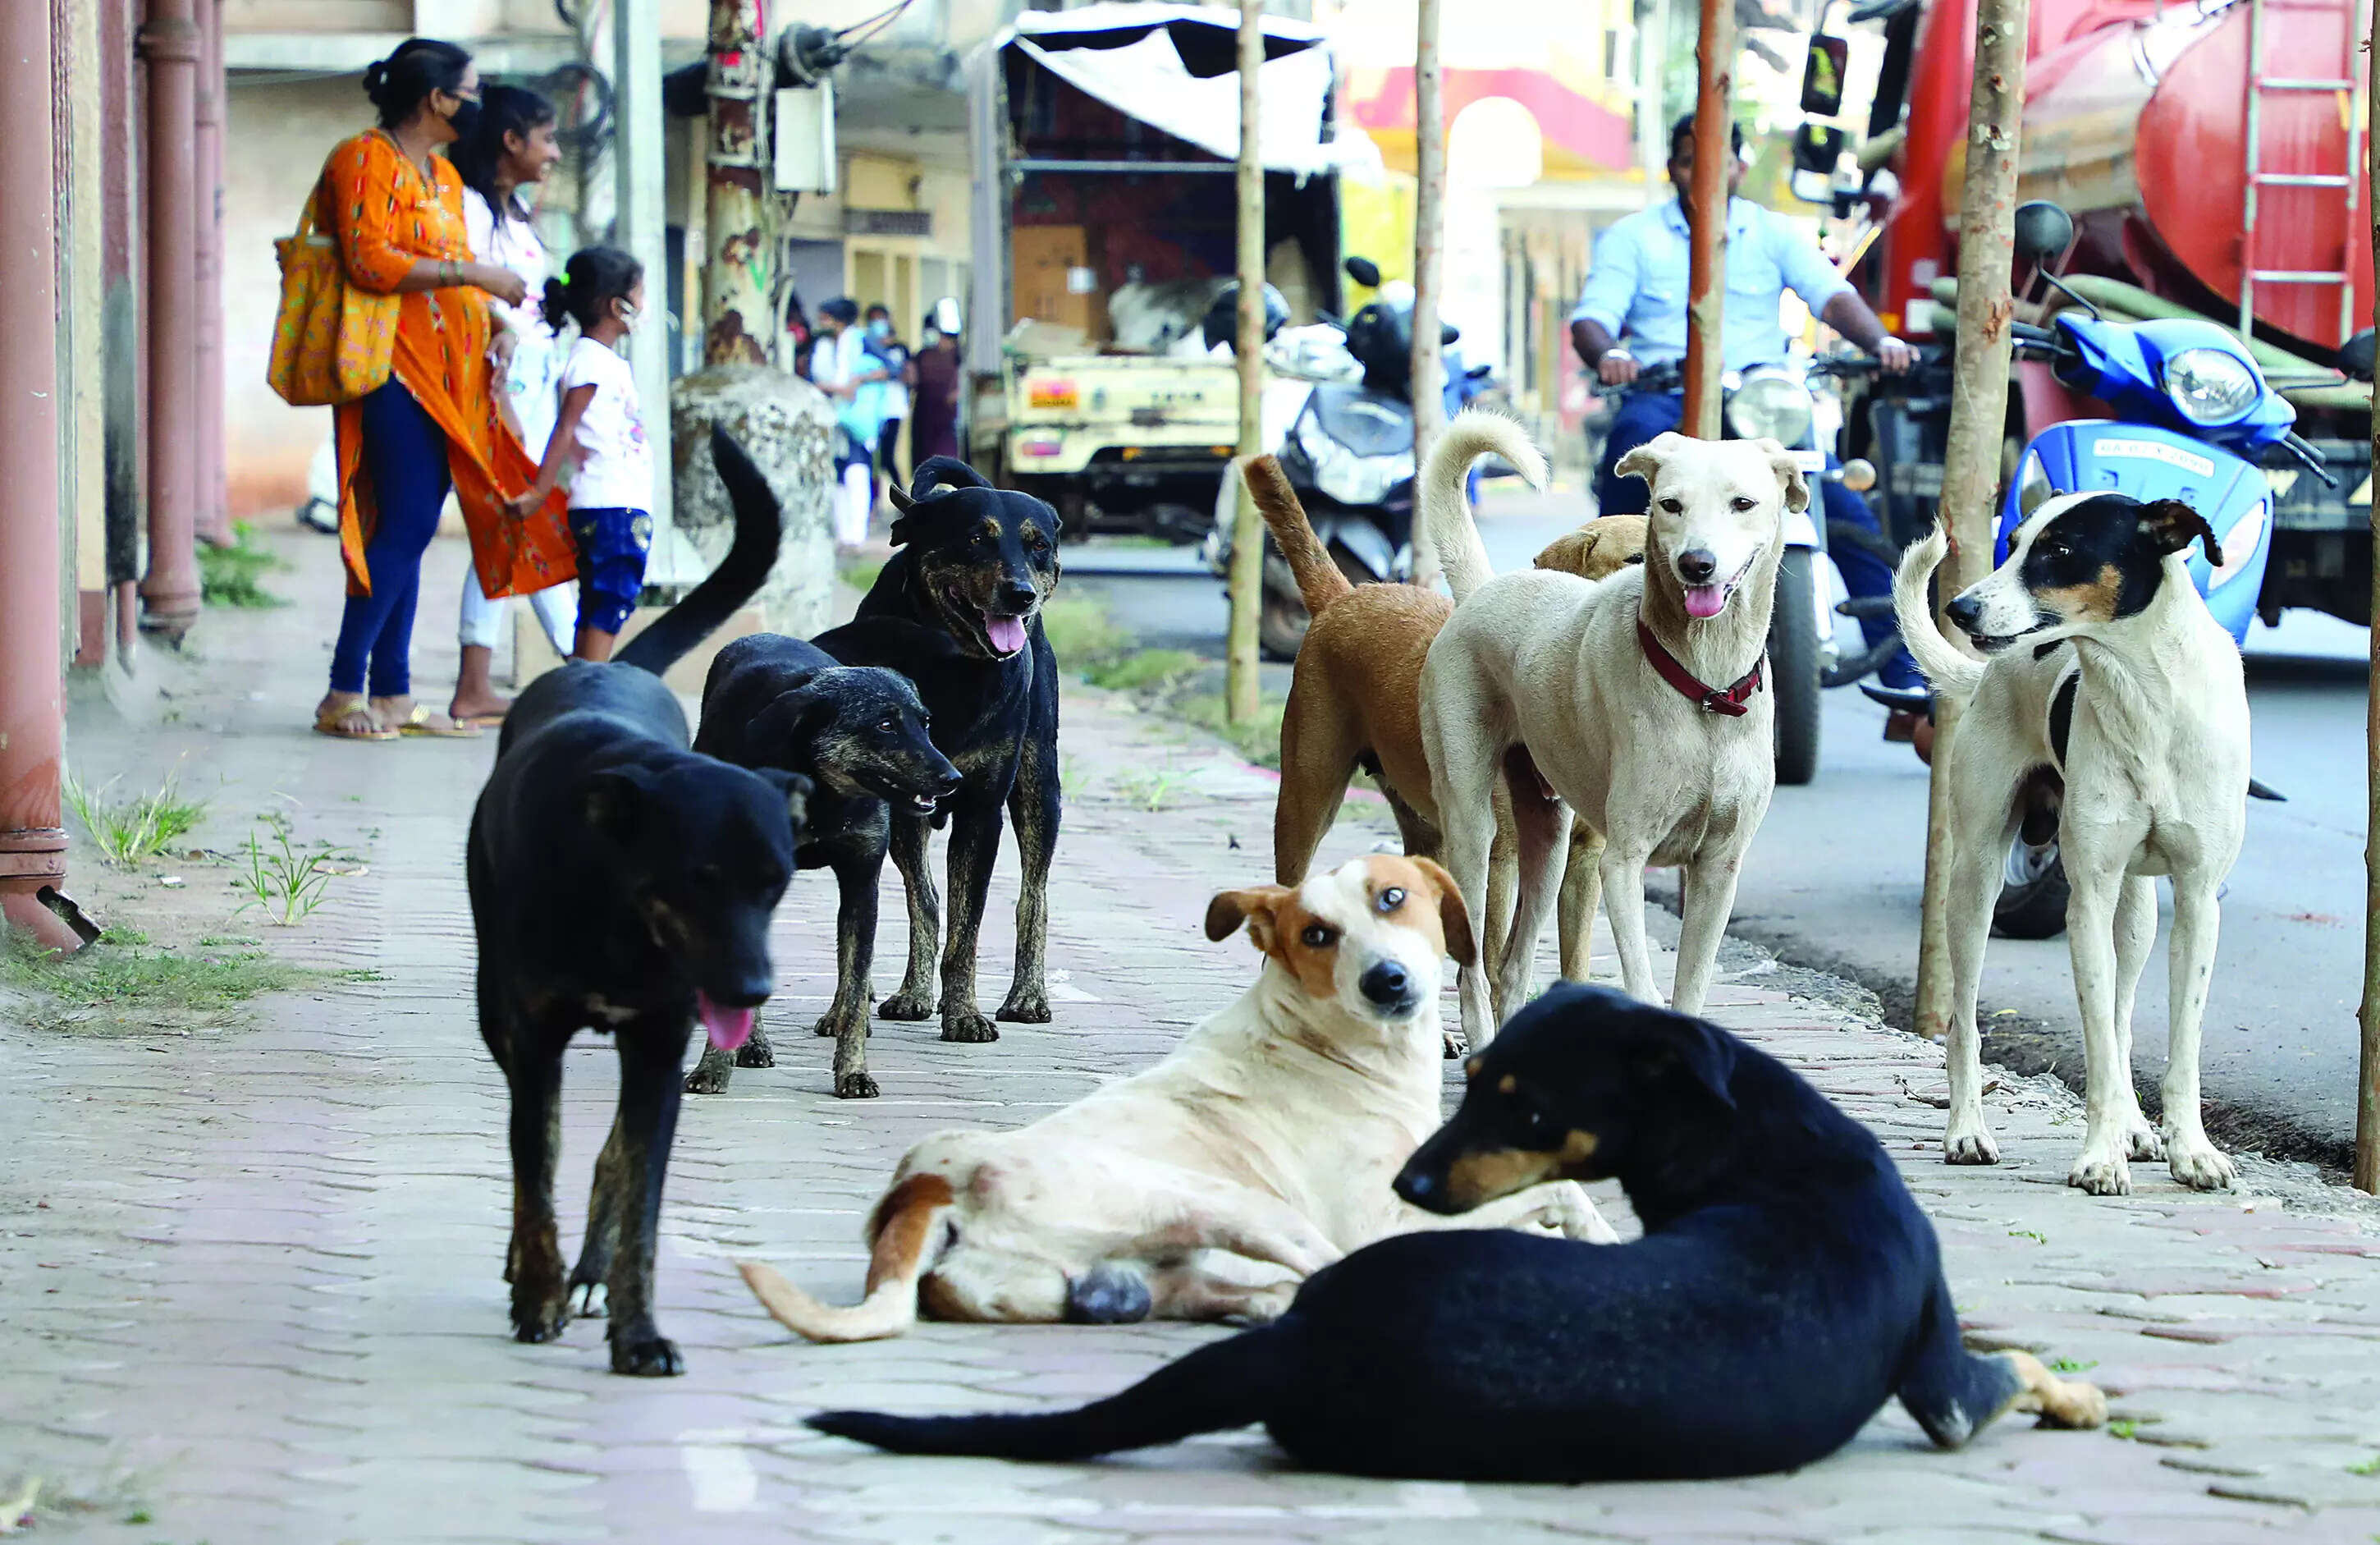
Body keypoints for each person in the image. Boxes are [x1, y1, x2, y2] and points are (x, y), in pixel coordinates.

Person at [1571, 112, 1925, 731]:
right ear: (1673, 167)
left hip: (1761, 400)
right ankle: (1588, 654)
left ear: (1737, 164)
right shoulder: (1635, 237)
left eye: (1715, 159)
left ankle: (1906, 689)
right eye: (1688, 159)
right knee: (1625, 490)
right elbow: (1593, 317)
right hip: (1667, 394)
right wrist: (1609, 355)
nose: (1701, 172)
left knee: (1845, 511)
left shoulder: (1773, 232)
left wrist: (1878, 341)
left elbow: (1829, 294)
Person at [313, 38, 574, 742]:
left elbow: (434, 267)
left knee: (414, 527)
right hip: (393, 371)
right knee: (401, 526)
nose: (480, 104)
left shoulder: (436, 175)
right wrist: (475, 278)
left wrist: (494, 319)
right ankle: (344, 687)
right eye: (472, 91)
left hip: (449, 375)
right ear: (437, 99)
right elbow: (373, 262)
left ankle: (393, 691)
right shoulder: (363, 158)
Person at [447, 82, 577, 724]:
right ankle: (586, 664)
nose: (553, 152)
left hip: (534, 383)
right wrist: (505, 402)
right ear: (511, 141)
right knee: (520, 522)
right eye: (546, 138)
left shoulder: (516, 213)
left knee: (509, 528)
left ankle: (483, 680)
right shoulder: (468, 210)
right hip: (498, 387)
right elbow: (470, 305)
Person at [508, 248, 654, 662]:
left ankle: (583, 680)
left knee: (600, 603)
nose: (642, 306)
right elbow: (566, 426)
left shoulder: (601, 360)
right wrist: (539, 490)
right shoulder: (590, 360)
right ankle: (590, 683)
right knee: (608, 603)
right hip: (609, 504)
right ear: (616, 305)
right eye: (638, 294)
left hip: (616, 501)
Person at [811, 296, 888, 548]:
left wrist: (858, 381)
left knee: (857, 469)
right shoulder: (823, 344)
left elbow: (892, 367)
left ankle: (857, 533)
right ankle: (843, 533)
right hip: (832, 415)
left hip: (855, 417)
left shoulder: (860, 339)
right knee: (837, 473)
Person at [861, 303, 913, 501]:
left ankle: (902, 498)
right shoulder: (866, 346)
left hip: (892, 409)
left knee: (888, 458)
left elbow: (903, 374)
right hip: (870, 410)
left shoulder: (898, 349)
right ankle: (872, 502)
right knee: (871, 460)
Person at [909, 309, 963, 466]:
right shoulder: (922, 356)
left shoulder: (958, 356)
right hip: (926, 415)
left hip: (947, 417)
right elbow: (913, 379)